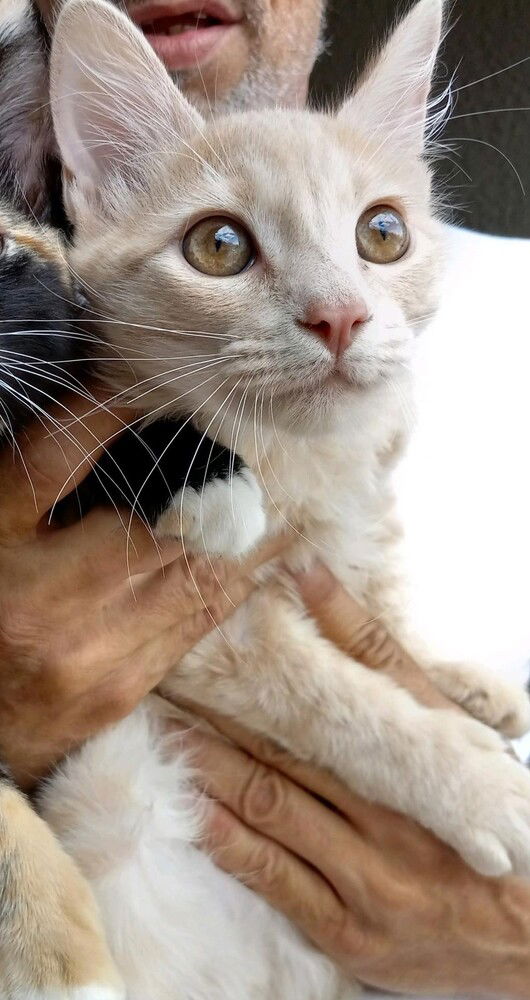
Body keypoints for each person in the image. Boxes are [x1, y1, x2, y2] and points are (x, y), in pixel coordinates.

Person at [1, 1, 529, 997]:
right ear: (101, 167)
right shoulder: (35, 345)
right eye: (221, 246)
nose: (337, 311)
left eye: (378, 233)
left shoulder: (508, 306)